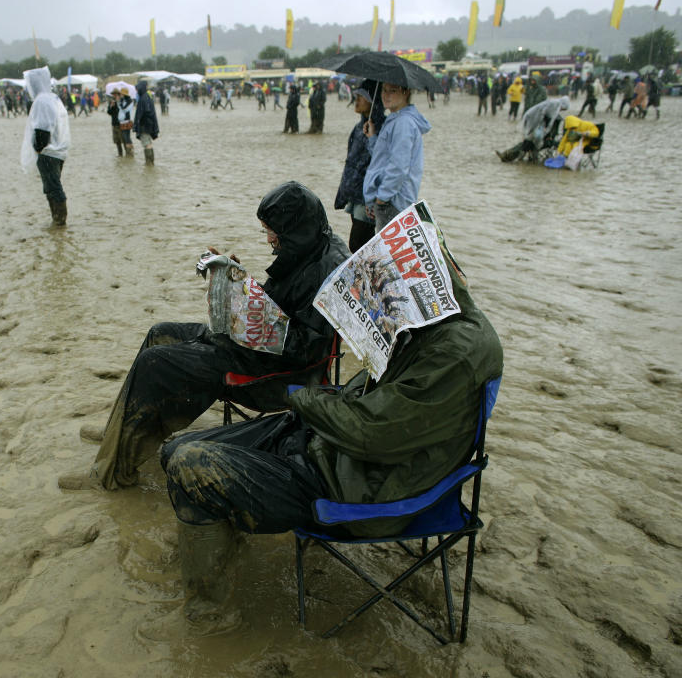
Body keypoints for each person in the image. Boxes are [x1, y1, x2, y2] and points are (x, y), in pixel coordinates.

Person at [139, 234, 503, 638]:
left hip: (354, 487)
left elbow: (372, 433)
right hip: (322, 442)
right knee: (176, 449)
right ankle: (220, 549)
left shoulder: (455, 350)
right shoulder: (430, 327)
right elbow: (373, 404)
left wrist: (301, 398)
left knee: (192, 468)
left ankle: (209, 621)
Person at [58, 182, 350, 492]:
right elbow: (279, 306)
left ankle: (113, 474)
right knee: (160, 335)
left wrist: (250, 310)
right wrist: (237, 283)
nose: (269, 240)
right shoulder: (308, 244)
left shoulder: (325, 268)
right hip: (254, 347)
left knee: (154, 362)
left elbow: (304, 348)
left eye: (272, 233)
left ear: (293, 229)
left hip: (275, 373)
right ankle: (118, 436)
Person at [363, 83, 431, 229]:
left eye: (392, 91)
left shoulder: (403, 123)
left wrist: (382, 198)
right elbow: (382, 158)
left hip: (393, 202)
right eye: (384, 90)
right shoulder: (395, 119)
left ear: (406, 93)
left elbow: (399, 166)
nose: (386, 95)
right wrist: (373, 138)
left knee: (388, 251)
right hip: (390, 199)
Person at [334, 81, 385, 252]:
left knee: (358, 244)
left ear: (373, 101)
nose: (356, 101)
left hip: (368, 196)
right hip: (355, 193)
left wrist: (372, 136)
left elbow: (381, 161)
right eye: (356, 96)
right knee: (361, 244)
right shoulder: (358, 127)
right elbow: (350, 162)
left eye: (361, 97)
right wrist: (343, 192)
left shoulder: (381, 128)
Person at [20, 66, 70, 227]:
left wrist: (38, 148)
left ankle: (59, 222)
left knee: (53, 187)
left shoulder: (42, 101)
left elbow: (42, 129)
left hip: (48, 151)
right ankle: (57, 219)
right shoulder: (53, 98)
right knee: (52, 186)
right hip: (58, 150)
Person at [496, 96, 570, 163]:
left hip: (543, 138)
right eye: (562, 109)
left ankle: (508, 156)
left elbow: (551, 131)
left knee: (526, 145)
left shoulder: (551, 114)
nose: (561, 110)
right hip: (540, 137)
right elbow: (547, 128)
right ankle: (508, 156)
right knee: (526, 145)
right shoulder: (551, 115)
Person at [134, 80, 159, 165]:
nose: (136, 92)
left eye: (137, 89)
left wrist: (139, 123)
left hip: (144, 126)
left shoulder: (143, 98)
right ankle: (150, 162)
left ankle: (149, 163)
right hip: (149, 125)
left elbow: (144, 113)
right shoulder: (148, 97)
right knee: (149, 143)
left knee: (147, 144)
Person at [117, 87, 135, 157]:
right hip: (122, 121)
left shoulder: (129, 101)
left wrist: (119, 103)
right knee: (125, 137)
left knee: (127, 137)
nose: (120, 95)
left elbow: (125, 109)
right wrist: (119, 102)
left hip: (127, 121)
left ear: (124, 94)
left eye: (121, 94)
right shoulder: (122, 100)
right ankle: (129, 152)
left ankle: (130, 151)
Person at [106, 89, 123, 157]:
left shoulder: (121, 101)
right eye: (113, 94)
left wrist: (118, 105)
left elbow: (123, 111)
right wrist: (111, 106)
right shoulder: (111, 102)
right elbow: (109, 112)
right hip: (114, 123)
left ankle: (127, 154)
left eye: (115, 94)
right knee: (117, 141)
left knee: (123, 139)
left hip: (121, 123)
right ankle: (120, 154)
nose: (114, 96)